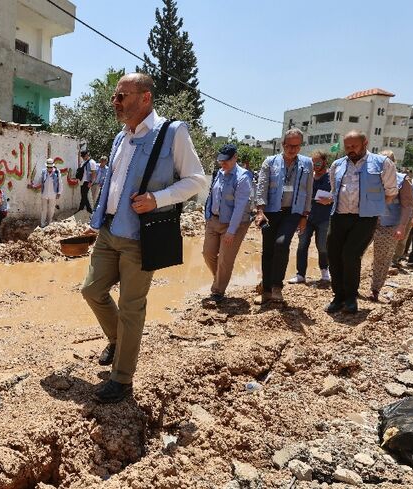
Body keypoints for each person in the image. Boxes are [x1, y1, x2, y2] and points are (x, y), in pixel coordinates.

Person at [81, 72, 205, 404]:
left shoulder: (172, 132)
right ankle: (118, 340)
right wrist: (96, 222)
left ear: (145, 97)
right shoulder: (121, 137)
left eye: (122, 96)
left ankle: (122, 379)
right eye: (115, 96)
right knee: (91, 290)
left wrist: (157, 199)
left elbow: (197, 181)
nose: (115, 102)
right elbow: (113, 185)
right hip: (109, 231)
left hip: (141, 238)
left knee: (131, 307)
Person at [325, 131, 398, 313]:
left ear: (365, 143)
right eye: (347, 147)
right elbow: (335, 190)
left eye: (354, 146)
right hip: (339, 216)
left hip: (364, 218)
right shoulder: (337, 165)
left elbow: (390, 192)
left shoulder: (382, 163)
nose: (350, 150)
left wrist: (372, 208)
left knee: (350, 254)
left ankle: (351, 297)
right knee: (334, 254)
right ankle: (338, 296)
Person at [253, 128, 314, 303]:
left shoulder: (307, 164)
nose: (292, 149)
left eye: (296, 146)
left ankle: (277, 287)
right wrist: (260, 211)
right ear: (283, 144)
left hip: (292, 212)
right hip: (271, 212)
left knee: (282, 244)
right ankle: (266, 290)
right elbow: (262, 187)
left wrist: (305, 216)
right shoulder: (270, 162)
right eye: (289, 145)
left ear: (300, 146)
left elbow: (309, 191)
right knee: (268, 250)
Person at [202, 144, 252, 302]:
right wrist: (207, 216)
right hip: (214, 220)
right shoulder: (219, 173)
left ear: (235, 157)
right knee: (208, 253)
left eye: (226, 161)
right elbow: (211, 196)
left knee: (225, 258)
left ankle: (217, 290)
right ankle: (220, 277)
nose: (223, 164)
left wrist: (231, 231)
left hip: (234, 223)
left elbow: (240, 206)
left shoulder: (243, 177)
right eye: (220, 161)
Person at [369, 151, 413, 300]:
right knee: (355, 253)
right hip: (368, 222)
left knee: (382, 258)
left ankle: (375, 289)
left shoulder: (402, 180)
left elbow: (407, 206)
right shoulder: (372, 179)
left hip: (389, 225)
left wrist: (401, 226)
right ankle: (351, 287)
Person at [289, 150, 332, 284]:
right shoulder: (308, 177)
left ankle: (325, 271)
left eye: (318, 162)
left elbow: (340, 194)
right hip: (306, 217)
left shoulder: (332, 177)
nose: (315, 165)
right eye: (313, 163)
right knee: (302, 245)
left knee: (323, 246)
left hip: (324, 218)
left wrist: (330, 199)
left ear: (325, 162)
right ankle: (300, 274)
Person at [28, 158, 61, 227]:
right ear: (46, 167)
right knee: (44, 209)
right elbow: (40, 181)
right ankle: (42, 224)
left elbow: (60, 183)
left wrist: (59, 192)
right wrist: (33, 185)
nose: (49, 168)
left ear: (52, 166)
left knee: (51, 209)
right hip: (44, 193)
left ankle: (49, 223)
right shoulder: (43, 172)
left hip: (53, 193)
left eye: (50, 167)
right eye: (48, 167)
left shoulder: (57, 172)